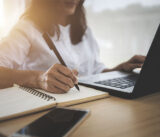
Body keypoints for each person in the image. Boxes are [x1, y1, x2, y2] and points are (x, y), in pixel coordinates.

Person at [0, 0, 145, 93]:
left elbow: (95, 71)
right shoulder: (26, 28)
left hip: (92, 104)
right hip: (51, 112)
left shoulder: (85, 31)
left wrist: (119, 69)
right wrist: (39, 78)